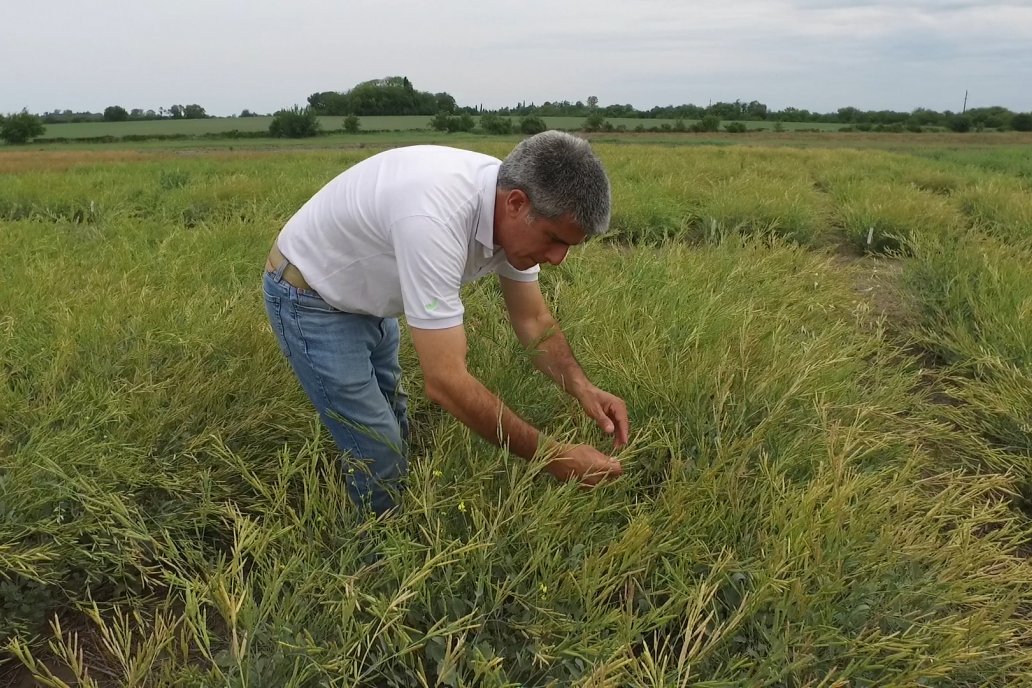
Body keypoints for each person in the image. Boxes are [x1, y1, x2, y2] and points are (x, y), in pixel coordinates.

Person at [262, 130, 629, 516]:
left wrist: (583, 388)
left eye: (571, 246)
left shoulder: (513, 210)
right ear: (517, 203)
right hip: (310, 296)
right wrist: (555, 457)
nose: (558, 259)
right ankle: (374, 556)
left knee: (394, 415)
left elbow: (533, 319)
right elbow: (445, 382)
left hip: (369, 294)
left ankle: (388, 502)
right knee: (377, 446)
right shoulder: (436, 218)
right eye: (555, 240)